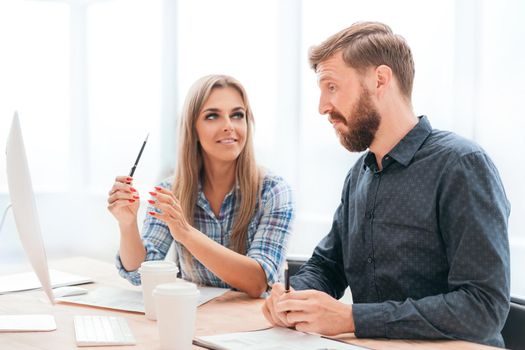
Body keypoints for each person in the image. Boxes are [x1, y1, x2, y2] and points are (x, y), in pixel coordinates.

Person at [262, 22, 510, 347]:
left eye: (332, 87)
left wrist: (352, 318)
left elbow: (483, 308)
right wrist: (291, 298)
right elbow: (328, 266)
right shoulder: (359, 175)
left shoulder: (461, 165)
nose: (322, 106)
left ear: (380, 80)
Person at [107, 74, 294, 298]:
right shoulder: (171, 190)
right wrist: (127, 225)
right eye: (213, 116)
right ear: (193, 128)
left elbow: (258, 282)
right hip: (195, 318)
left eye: (237, 115)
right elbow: (140, 272)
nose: (228, 126)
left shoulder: (273, 191)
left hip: (253, 324)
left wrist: (185, 233)